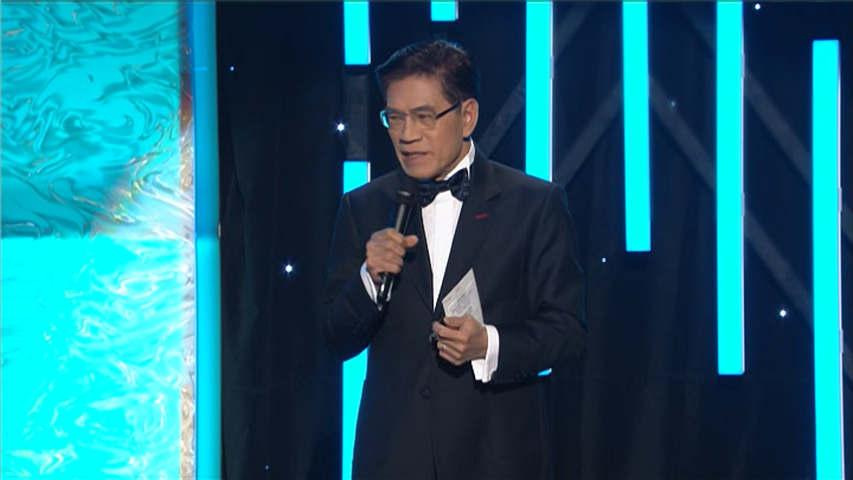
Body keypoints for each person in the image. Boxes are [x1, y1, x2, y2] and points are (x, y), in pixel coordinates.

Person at [322, 39, 586, 480]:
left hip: (497, 460)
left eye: (424, 116)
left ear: (467, 116)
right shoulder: (364, 207)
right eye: (395, 118)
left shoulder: (534, 205)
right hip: (393, 462)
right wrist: (369, 278)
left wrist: (489, 345)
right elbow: (335, 337)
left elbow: (568, 331)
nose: (407, 135)